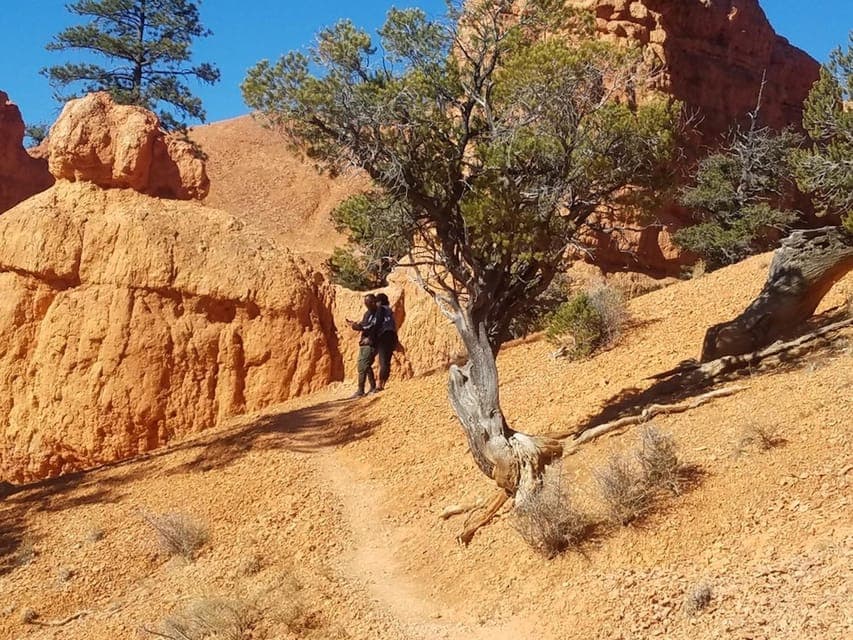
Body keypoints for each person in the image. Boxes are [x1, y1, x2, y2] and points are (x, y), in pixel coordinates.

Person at [346, 294, 381, 398]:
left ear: (373, 302)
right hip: (364, 343)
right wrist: (355, 325)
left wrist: (357, 326)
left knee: (362, 366)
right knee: (366, 365)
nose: (367, 305)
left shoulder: (379, 314)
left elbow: (370, 326)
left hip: (371, 343)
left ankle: (360, 390)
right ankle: (373, 387)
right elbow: (364, 324)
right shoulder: (368, 313)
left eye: (368, 303)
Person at [374, 293, 398, 391]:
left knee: (383, 361)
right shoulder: (389, 310)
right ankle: (383, 383)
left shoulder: (381, 309)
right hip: (392, 336)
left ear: (379, 301)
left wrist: (373, 335)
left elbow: (378, 322)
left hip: (384, 336)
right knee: (387, 361)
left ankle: (379, 385)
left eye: (376, 301)